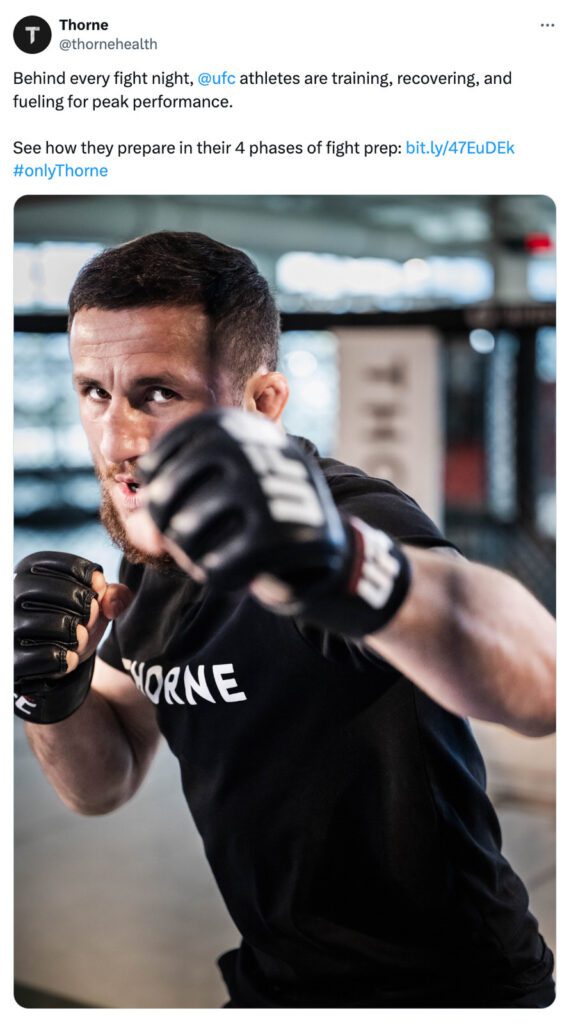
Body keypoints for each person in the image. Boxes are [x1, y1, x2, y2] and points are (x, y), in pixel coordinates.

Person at [14, 231, 556, 1009]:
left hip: (451, 988)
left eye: (158, 394)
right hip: (276, 979)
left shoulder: (348, 517)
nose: (116, 440)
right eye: (95, 391)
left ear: (262, 402)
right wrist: (49, 694)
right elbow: (105, 780)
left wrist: (344, 566)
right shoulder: (148, 557)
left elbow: (542, 682)